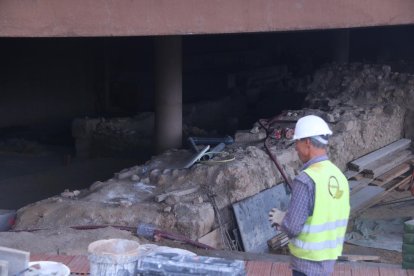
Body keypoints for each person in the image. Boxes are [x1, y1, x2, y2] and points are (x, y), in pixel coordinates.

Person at [268, 115, 350, 276]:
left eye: (297, 142)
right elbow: (325, 215)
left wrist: (282, 218)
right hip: (327, 262)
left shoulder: (305, 180)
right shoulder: (338, 176)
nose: (296, 148)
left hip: (306, 264)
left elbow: (293, 227)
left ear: (307, 142)